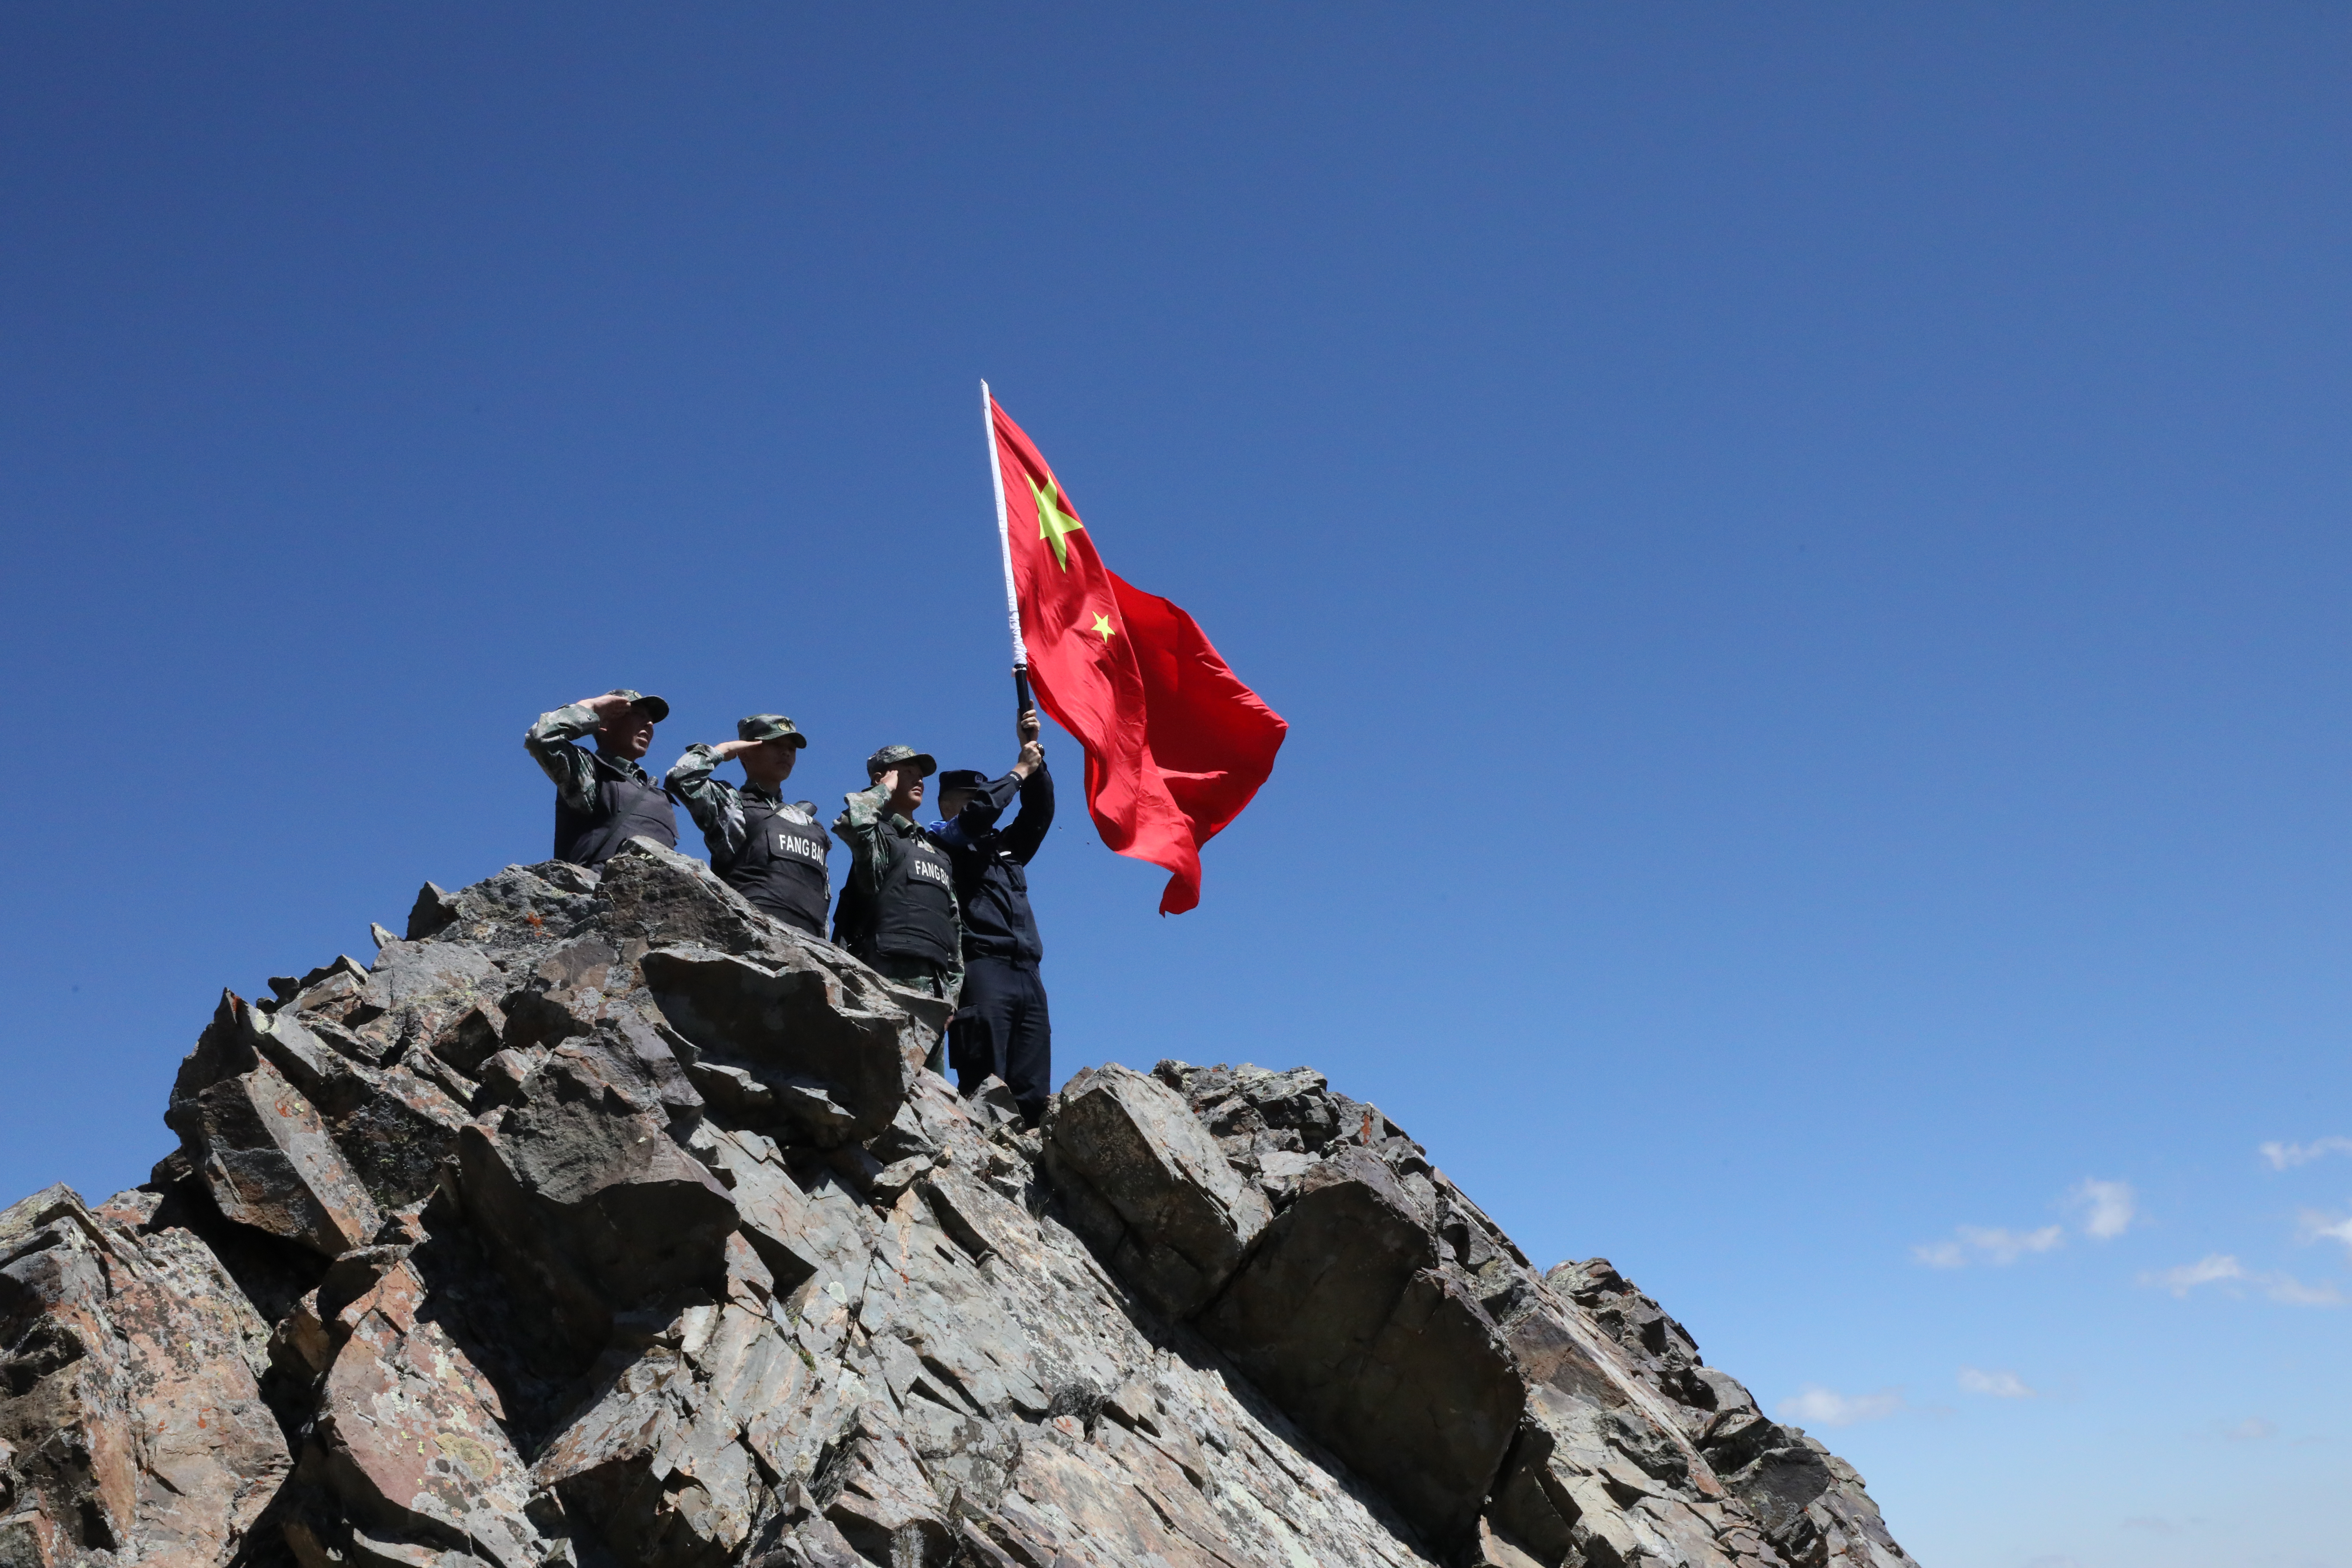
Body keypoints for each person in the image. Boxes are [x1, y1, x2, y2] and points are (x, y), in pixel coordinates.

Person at [933, 710, 1055, 1124]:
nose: (989, 801)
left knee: (1033, 1087)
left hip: (1027, 972)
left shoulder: (1005, 849)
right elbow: (978, 815)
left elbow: (1039, 814)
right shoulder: (942, 842)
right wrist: (1018, 772)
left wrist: (1034, 759)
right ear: (949, 804)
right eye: (973, 796)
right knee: (987, 1080)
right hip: (984, 968)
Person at [833, 746, 965, 1060]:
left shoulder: (938, 854)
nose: (918, 778)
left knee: (930, 1100)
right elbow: (858, 819)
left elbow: (955, 932)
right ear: (884, 778)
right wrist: (883, 790)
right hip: (884, 982)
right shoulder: (877, 836)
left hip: (934, 993)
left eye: (921, 774)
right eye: (907, 772)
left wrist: (952, 998)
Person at [664, 714, 831, 938]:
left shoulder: (812, 826)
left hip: (812, 948)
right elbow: (681, 778)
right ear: (746, 751)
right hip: (753, 939)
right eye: (774, 744)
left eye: (792, 748)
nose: (787, 752)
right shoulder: (731, 804)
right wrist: (722, 750)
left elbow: (823, 895)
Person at [525, 689, 677, 867]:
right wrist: (591, 707)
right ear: (604, 723)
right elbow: (542, 739)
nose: (650, 724)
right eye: (637, 714)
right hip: (599, 890)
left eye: (651, 719)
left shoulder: (659, 796)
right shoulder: (591, 773)